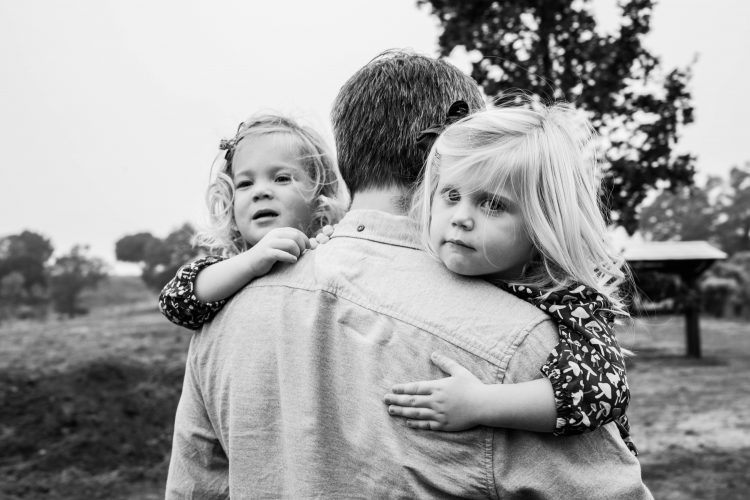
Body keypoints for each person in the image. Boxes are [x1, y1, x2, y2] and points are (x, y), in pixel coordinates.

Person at [166, 50, 652, 499]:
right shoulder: (520, 344)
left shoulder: (222, 317)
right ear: (452, 145)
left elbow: (194, 489)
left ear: (345, 156)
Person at [383, 100, 637, 452]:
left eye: (492, 204)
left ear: (542, 225)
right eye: (452, 195)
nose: (461, 217)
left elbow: (602, 390)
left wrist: (478, 404)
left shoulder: (566, 300)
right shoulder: (424, 263)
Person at [158, 113, 348, 328]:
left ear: (319, 194)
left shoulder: (329, 248)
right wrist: (251, 262)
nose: (260, 192)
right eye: (245, 183)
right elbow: (175, 302)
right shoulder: (228, 270)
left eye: (281, 178)